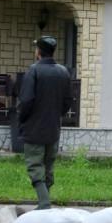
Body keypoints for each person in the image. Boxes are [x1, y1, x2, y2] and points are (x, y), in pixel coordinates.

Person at [18, 36, 73, 210]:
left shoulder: (33, 71)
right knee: (48, 167)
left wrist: (23, 118)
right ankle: (44, 203)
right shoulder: (63, 71)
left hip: (34, 129)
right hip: (53, 128)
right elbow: (68, 100)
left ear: (38, 52)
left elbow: (26, 101)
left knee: (35, 166)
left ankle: (44, 204)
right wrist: (57, 114)